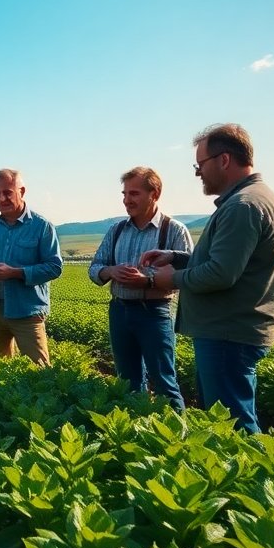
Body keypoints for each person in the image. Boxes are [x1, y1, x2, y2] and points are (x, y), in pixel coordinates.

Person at [141, 124, 274, 433]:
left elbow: (221, 274)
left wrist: (169, 278)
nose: (198, 174)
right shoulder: (255, 199)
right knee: (226, 419)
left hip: (227, 333)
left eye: (200, 165)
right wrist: (178, 257)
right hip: (230, 331)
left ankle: (250, 478)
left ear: (224, 160)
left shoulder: (243, 206)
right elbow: (231, 262)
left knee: (232, 427)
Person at [89, 167, 193, 408]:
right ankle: (137, 433)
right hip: (119, 310)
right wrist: (111, 271)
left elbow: (188, 274)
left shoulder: (174, 230)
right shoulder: (116, 230)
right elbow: (95, 268)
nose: (127, 200)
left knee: (164, 382)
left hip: (155, 312)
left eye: (133, 193)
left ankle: (177, 438)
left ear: (154, 193)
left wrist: (147, 280)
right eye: (124, 194)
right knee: (127, 381)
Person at [0, 168, 63, 366]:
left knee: (38, 372)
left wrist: (15, 272)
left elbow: (54, 267)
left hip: (27, 310)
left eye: (7, 192)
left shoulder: (42, 226)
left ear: (21, 191)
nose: (2, 199)